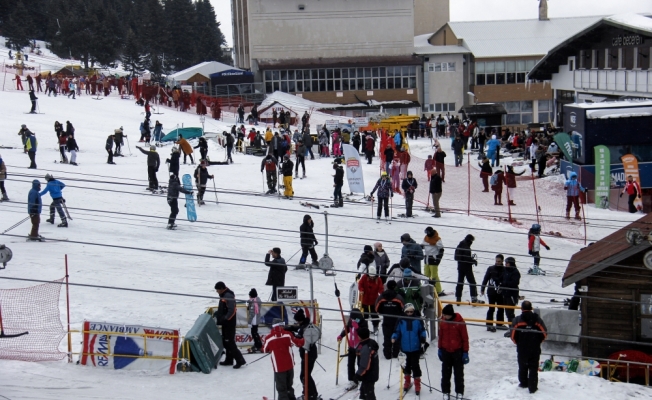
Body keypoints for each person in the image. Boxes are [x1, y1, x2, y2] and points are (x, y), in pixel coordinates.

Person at [511, 301, 547, 394]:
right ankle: (533, 387)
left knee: (522, 366)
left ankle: (523, 383)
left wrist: (518, 343)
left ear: (521, 309)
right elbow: (544, 333)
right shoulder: (537, 320)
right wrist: (537, 342)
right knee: (533, 368)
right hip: (534, 348)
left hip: (522, 348)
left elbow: (513, 335)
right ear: (531, 308)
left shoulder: (517, 320)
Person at [263, 318, 304, 400]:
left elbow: (264, 349)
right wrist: (306, 338)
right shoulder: (288, 335)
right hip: (289, 365)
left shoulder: (268, 338)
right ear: (281, 325)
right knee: (289, 386)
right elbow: (298, 343)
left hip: (278, 367)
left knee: (281, 388)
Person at [392, 303, 427, 395]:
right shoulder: (401, 320)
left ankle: (417, 384)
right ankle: (407, 381)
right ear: (405, 311)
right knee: (406, 366)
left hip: (415, 347)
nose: (409, 313)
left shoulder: (417, 320)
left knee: (415, 366)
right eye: (407, 312)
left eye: (411, 311)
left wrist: (423, 337)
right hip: (404, 347)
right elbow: (397, 331)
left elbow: (422, 330)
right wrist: (394, 337)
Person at [286, 309, 319, 400]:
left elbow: (299, 339)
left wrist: (292, 335)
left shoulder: (305, 328)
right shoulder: (305, 324)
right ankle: (310, 393)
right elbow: (297, 328)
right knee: (305, 375)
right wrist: (289, 328)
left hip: (308, 354)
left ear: (299, 320)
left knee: (305, 375)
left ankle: (310, 394)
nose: (296, 322)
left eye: (297, 321)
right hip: (307, 354)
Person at [438, 304, 469, 399]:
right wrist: (440, 348)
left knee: (458, 374)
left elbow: (465, 338)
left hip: (457, 352)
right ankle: (445, 392)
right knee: (445, 374)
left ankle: (459, 392)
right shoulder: (443, 322)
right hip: (446, 351)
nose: (444, 317)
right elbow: (441, 336)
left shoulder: (460, 323)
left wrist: (465, 352)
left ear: (450, 314)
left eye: (445, 315)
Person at [213, 281, 247, 369]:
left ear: (221, 289)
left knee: (229, 342)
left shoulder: (228, 296)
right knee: (226, 341)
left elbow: (232, 310)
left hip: (229, 323)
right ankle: (229, 360)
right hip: (226, 322)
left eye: (217, 290)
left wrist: (225, 318)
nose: (217, 292)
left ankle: (240, 360)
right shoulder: (224, 295)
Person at [337, 308, 367, 391]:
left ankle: (361, 379)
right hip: (352, 346)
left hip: (360, 347)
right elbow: (347, 328)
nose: (353, 320)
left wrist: (357, 328)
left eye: (354, 318)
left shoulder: (363, 322)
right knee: (350, 364)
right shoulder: (351, 321)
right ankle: (352, 380)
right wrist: (341, 335)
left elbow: (365, 333)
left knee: (360, 364)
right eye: (352, 318)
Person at [375, 280, 404, 359]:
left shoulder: (381, 297)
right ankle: (395, 353)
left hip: (386, 320)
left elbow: (377, 308)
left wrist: (382, 312)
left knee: (387, 337)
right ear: (395, 287)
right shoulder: (398, 297)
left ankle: (387, 354)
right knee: (397, 336)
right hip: (396, 321)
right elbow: (403, 308)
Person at [480, 254, 506, 332]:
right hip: (491, 292)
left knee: (501, 308)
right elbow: (485, 278)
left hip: (500, 292)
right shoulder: (491, 269)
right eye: (496, 261)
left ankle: (499, 324)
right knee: (491, 308)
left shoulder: (504, 270)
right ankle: (489, 325)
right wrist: (482, 288)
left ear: (502, 261)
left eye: (499, 261)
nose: (497, 262)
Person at [454, 234, 480, 303]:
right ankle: (474, 298)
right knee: (472, 283)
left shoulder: (460, 245)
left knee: (460, 282)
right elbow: (467, 259)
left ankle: (458, 298)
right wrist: (473, 261)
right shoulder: (466, 247)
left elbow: (457, 257)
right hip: (467, 268)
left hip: (460, 266)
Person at [355, 326, 379, 400]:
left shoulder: (365, 347)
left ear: (361, 336)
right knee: (363, 392)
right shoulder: (370, 343)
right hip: (371, 373)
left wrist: (358, 374)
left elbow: (365, 364)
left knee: (369, 395)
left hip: (368, 375)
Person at [358, 266, 384, 333]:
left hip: (374, 300)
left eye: (373, 276)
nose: (372, 277)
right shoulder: (364, 277)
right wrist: (361, 290)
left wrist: (382, 294)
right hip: (364, 300)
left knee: (374, 315)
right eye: (371, 276)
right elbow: (360, 285)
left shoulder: (378, 279)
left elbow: (381, 288)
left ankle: (375, 327)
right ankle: (365, 328)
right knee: (365, 315)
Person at [422, 227, 445, 296]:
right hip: (426, 258)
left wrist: (438, 259)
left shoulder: (437, 239)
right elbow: (423, 245)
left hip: (433, 258)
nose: (427, 234)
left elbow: (441, 249)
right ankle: (427, 289)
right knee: (426, 275)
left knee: (434, 275)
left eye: (428, 233)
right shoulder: (426, 237)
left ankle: (438, 290)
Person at [502, 257, 521, 337]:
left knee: (510, 312)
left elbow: (514, 283)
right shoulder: (505, 270)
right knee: (507, 312)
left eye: (507, 263)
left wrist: (505, 283)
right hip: (505, 294)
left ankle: (513, 329)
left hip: (512, 295)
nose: (505, 264)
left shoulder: (515, 272)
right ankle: (511, 328)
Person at [246, 288, 263, 353]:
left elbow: (252, 313)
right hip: (256, 319)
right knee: (255, 332)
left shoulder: (254, 303)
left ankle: (258, 345)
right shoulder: (256, 300)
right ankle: (257, 344)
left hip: (254, 320)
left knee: (254, 333)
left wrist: (249, 322)